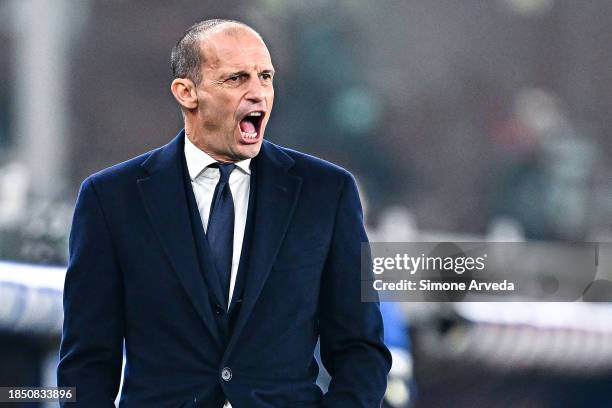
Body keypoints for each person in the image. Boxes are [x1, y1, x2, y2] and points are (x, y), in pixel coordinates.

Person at [57, 19, 391, 407]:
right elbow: (86, 362)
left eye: (265, 77)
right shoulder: (110, 199)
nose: (258, 93)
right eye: (236, 79)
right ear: (186, 92)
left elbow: (362, 349)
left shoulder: (327, 193)